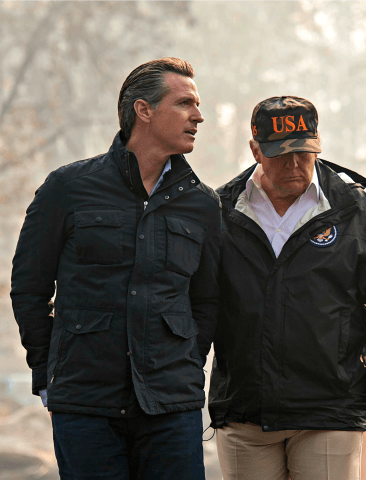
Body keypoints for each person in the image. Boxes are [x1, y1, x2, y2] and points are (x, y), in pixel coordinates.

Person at [11, 57, 220, 480]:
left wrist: (182, 365)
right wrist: (48, 371)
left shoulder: (203, 205)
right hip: (85, 405)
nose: (199, 116)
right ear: (144, 110)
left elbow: (207, 300)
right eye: (185, 104)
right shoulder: (67, 189)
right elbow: (28, 289)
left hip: (171, 408)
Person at [208, 96, 366, 480]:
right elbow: (201, 308)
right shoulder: (220, 209)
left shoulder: (353, 209)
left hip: (329, 408)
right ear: (255, 149)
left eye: (303, 153)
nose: (293, 165)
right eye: (279, 154)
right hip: (244, 411)